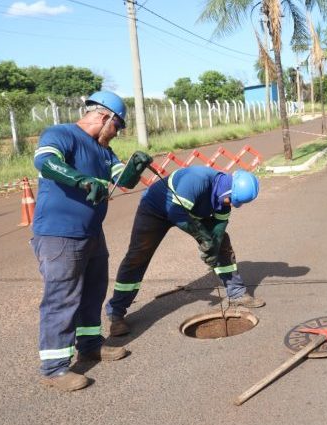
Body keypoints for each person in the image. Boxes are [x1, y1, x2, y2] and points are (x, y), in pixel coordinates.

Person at [31, 90, 153, 392]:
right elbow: (45, 162)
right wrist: (81, 179)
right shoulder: (61, 134)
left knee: (93, 291)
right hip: (60, 232)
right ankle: (55, 368)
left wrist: (135, 167)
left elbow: (122, 181)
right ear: (104, 116)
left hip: (92, 233)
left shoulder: (104, 151)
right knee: (62, 298)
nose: (117, 132)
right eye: (117, 126)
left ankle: (89, 345)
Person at [104, 165, 261, 337]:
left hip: (190, 212)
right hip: (156, 209)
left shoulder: (224, 196)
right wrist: (203, 238)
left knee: (222, 243)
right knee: (138, 256)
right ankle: (116, 312)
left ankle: (237, 292)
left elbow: (218, 228)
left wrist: (213, 249)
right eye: (231, 200)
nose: (231, 204)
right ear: (228, 190)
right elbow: (176, 213)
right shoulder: (197, 179)